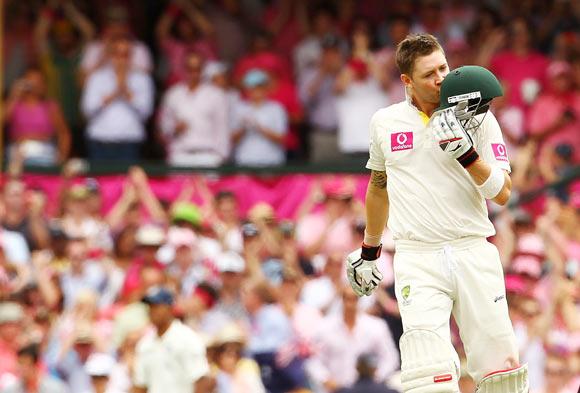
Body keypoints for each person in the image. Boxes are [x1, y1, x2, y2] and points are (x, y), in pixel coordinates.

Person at [345, 33, 529, 392]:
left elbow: (503, 193)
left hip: (472, 248)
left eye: (444, 67)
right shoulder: (385, 122)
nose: (442, 78)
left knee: (501, 372)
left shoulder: (478, 116)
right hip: (418, 256)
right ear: (406, 80)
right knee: (427, 374)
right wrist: (370, 251)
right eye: (430, 73)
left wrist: (467, 156)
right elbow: (378, 187)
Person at [133, 286, 214, 393]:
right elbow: (140, 386)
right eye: (149, 307)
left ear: (169, 308)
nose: (152, 311)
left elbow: (202, 380)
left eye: (156, 306)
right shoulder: (145, 344)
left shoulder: (186, 338)